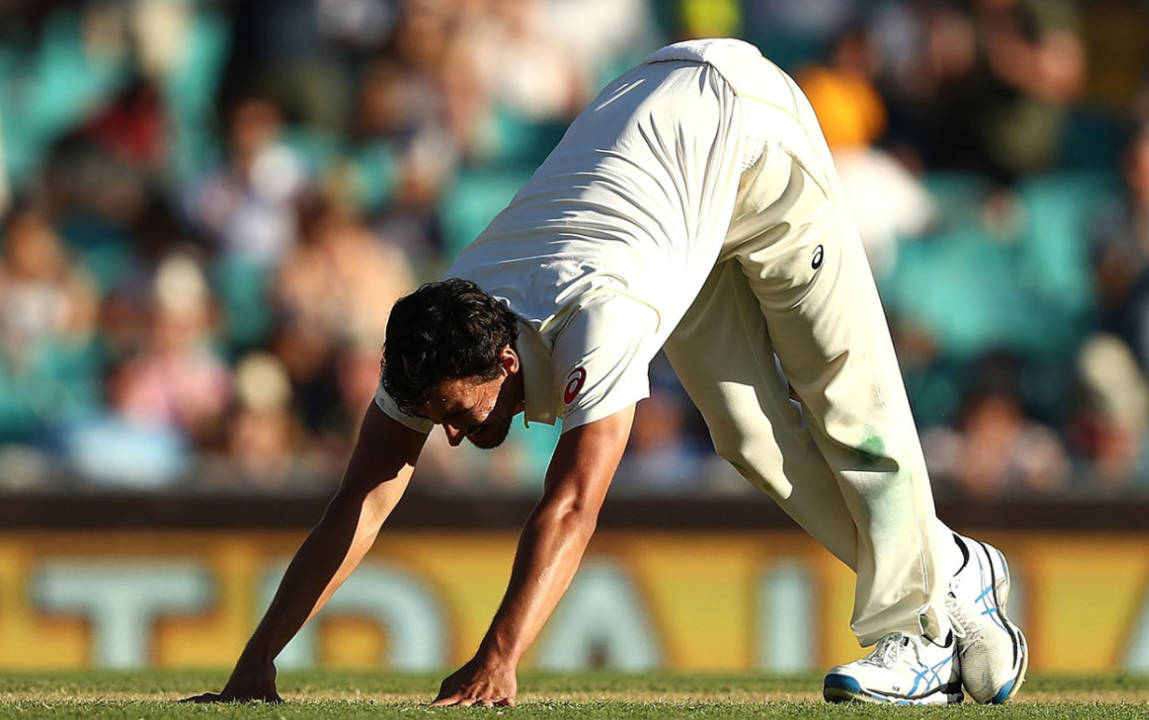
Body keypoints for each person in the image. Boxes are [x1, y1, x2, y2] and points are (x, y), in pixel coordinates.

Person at [184, 39, 1027, 707]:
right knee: (746, 439)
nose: (451, 433)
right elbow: (360, 498)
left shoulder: (600, 315)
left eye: (457, 413)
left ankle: (914, 625)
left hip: (748, 130)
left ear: (509, 360)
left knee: (848, 398)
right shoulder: (438, 334)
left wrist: (499, 657)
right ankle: (953, 569)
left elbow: (575, 504)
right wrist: (256, 663)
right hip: (665, 178)